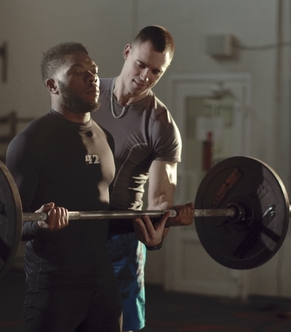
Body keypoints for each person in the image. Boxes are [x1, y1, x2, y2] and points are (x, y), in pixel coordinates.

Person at [5, 42, 168, 332]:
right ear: (53, 85)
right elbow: (9, 224)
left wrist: (149, 227)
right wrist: (41, 224)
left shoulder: (104, 138)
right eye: (79, 72)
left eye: (93, 70)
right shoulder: (31, 141)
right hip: (54, 284)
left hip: (102, 280)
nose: (92, 77)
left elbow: (102, 217)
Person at [92, 26, 195, 332]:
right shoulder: (87, 100)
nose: (145, 76)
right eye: (140, 64)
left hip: (123, 237)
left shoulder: (161, 124)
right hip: (77, 230)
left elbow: (161, 198)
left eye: (156, 71)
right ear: (127, 52)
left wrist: (158, 233)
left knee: (126, 325)